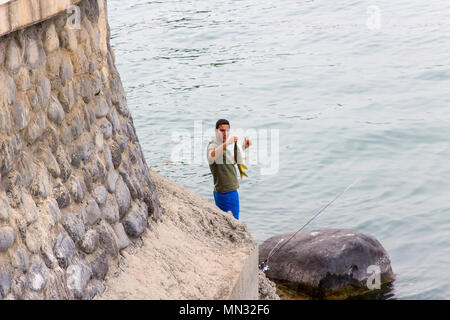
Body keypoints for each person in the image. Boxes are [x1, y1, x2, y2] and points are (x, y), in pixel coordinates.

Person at [206, 119, 251, 220]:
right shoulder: (213, 145)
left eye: (227, 130)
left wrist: (243, 148)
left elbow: (232, 162)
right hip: (225, 193)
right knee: (234, 221)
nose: (225, 133)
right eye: (222, 130)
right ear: (215, 131)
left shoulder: (222, 147)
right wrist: (228, 143)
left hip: (229, 191)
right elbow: (211, 156)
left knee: (227, 222)